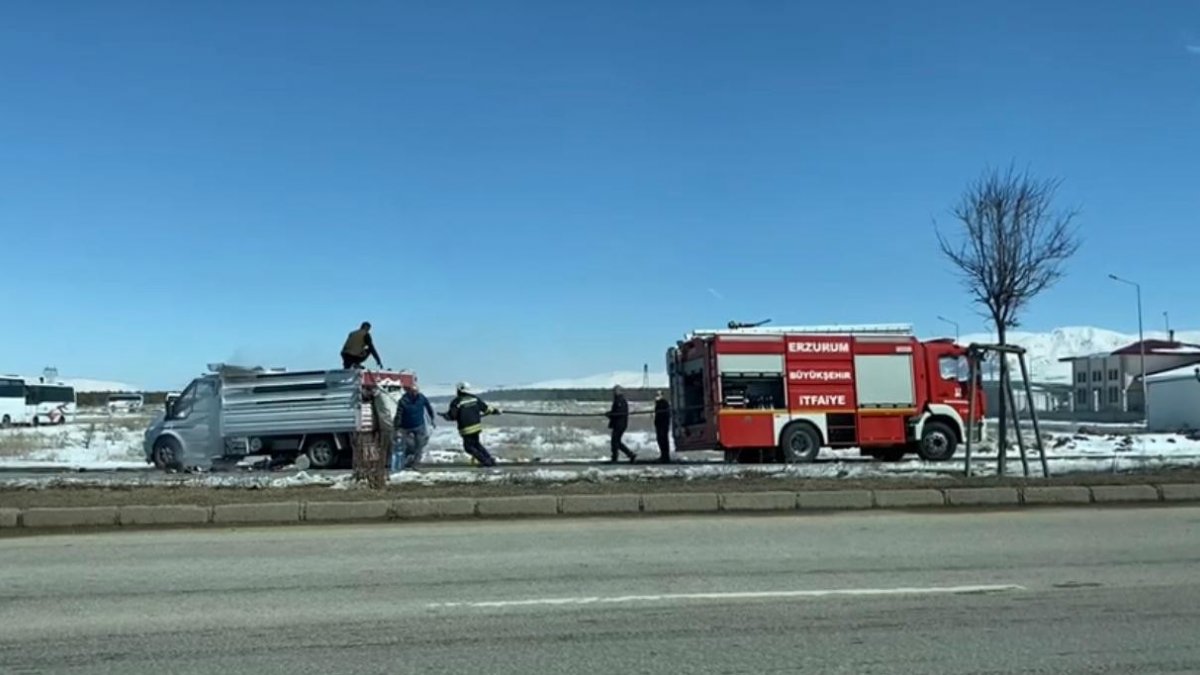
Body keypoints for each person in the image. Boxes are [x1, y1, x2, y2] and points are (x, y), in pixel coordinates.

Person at [442, 382, 500, 467]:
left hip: (466, 428)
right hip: (476, 427)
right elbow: (486, 409)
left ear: (459, 390)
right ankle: (489, 459)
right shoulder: (475, 399)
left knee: (468, 447)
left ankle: (485, 462)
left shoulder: (457, 402)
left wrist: (446, 416)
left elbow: (453, 416)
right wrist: (496, 411)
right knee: (476, 444)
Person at [392, 383, 435, 471]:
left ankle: (416, 463)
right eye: (413, 391)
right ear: (409, 392)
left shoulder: (422, 398)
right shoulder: (403, 400)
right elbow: (399, 414)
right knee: (406, 444)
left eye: (416, 391)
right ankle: (405, 460)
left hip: (419, 425)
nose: (415, 393)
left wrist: (432, 418)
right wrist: (397, 426)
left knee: (419, 445)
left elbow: (429, 408)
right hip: (406, 426)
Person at [606, 385, 637, 463]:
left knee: (615, 441)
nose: (614, 393)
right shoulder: (618, 400)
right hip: (619, 423)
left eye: (615, 391)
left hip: (619, 424)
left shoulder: (620, 400)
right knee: (616, 441)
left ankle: (617, 457)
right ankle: (629, 454)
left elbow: (619, 413)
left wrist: (610, 414)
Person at [654, 390, 672, 464]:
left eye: (659, 394)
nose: (657, 396)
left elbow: (664, 414)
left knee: (663, 440)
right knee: (660, 440)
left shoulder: (664, 403)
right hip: (659, 425)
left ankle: (665, 456)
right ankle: (663, 455)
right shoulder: (658, 403)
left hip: (663, 425)